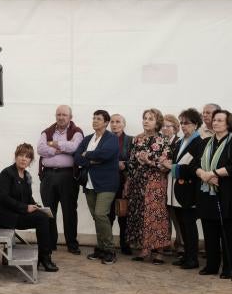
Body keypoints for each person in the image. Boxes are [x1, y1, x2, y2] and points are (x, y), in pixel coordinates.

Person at [0, 142, 58, 272]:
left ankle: (46, 254)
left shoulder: (26, 175)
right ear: (15, 156)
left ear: (30, 161)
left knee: (48, 216)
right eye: (21, 155)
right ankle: (45, 259)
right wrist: (25, 208)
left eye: (27, 157)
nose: (23, 159)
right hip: (6, 215)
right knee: (42, 219)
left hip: (18, 212)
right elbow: (3, 198)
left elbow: (28, 198)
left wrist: (35, 206)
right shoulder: (6, 174)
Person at [194, 109, 232, 279]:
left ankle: (229, 268)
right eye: (214, 120)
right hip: (206, 192)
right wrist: (204, 175)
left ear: (228, 123)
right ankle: (211, 265)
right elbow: (195, 163)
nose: (215, 123)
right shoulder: (205, 142)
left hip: (227, 193)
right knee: (209, 230)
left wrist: (213, 173)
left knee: (228, 232)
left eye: (220, 120)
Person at [126, 108, 172, 264]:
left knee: (156, 215)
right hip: (138, 182)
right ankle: (144, 249)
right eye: (144, 118)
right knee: (140, 215)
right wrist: (129, 181)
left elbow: (165, 164)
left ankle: (159, 251)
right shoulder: (137, 139)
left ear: (157, 122)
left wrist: (149, 160)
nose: (146, 121)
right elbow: (131, 162)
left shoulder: (163, 140)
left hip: (156, 181)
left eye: (150, 118)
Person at [36, 104, 84, 254]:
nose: (61, 117)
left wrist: (53, 145)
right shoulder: (47, 131)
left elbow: (75, 147)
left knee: (69, 211)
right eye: (58, 115)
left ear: (70, 117)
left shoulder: (77, 132)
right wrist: (61, 148)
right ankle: (50, 243)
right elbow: (40, 149)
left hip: (68, 176)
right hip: (48, 175)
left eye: (64, 115)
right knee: (49, 211)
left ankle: (72, 244)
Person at [74, 110, 120, 264]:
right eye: (93, 118)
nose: (95, 121)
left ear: (106, 122)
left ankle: (109, 250)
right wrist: (90, 159)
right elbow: (77, 157)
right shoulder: (88, 138)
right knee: (97, 217)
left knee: (101, 214)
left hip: (107, 184)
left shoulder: (111, 138)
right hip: (89, 184)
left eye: (99, 119)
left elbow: (105, 154)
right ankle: (101, 248)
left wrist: (88, 154)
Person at [162, 108, 204, 269]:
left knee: (189, 226)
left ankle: (193, 258)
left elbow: (194, 168)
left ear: (196, 125)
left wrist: (172, 166)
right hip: (177, 191)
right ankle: (186, 255)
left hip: (189, 191)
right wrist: (166, 163)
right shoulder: (180, 142)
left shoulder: (199, 142)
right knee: (182, 225)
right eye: (182, 123)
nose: (184, 126)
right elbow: (175, 161)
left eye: (187, 123)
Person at [109, 113, 133, 255]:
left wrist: (126, 164)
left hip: (124, 181)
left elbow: (135, 161)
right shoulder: (105, 139)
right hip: (107, 182)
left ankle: (125, 244)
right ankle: (107, 244)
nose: (115, 124)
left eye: (118, 122)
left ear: (124, 124)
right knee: (108, 214)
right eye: (112, 122)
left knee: (124, 214)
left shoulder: (131, 140)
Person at [161, 114, 184, 255]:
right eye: (163, 126)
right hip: (161, 181)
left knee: (176, 214)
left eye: (168, 126)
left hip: (174, 181)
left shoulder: (179, 142)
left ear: (175, 128)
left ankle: (180, 242)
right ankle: (166, 242)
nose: (164, 129)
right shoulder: (159, 142)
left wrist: (167, 165)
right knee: (165, 214)